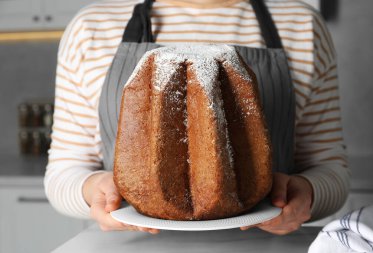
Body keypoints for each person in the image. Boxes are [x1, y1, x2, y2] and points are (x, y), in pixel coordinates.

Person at [44, 0, 350, 235]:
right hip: (127, 246)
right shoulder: (91, 28)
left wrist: (306, 194)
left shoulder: (301, 24)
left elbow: (331, 169)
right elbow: (63, 173)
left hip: (263, 246)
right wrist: (93, 188)